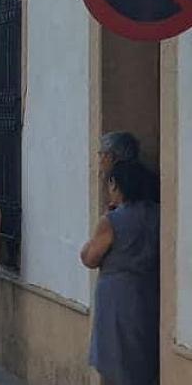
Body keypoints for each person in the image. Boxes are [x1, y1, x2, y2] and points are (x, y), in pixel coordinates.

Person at [82, 160, 159, 385]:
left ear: (115, 184)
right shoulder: (158, 214)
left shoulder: (112, 221)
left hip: (117, 295)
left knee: (115, 355)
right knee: (143, 353)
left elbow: (90, 258)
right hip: (149, 289)